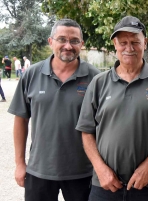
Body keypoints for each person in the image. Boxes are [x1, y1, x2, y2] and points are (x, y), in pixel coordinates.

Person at [76, 16, 148, 201]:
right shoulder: (99, 83)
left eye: (135, 42)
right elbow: (86, 132)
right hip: (105, 185)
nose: (129, 48)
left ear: (145, 43)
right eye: (123, 42)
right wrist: (100, 169)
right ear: (115, 44)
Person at [8, 19, 100, 201]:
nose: (68, 45)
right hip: (39, 170)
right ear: (51, 42)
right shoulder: (31, 75)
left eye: (74, 41)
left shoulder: (95, 78)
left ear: (81, 44)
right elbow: (21, 120)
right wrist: (19, 163)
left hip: (83, 171)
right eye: (62, 39)